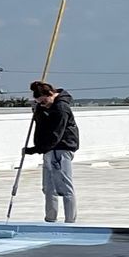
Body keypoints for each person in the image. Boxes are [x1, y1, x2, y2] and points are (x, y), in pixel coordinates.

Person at [27, 79, 80, 222]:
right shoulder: (45, 108)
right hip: (49, 149)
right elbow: (41, 128)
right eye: (39, 102)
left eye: (43, 101)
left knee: (65, 186)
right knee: (48, 187)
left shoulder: (61, 108)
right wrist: (38, 111)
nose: (42, 104)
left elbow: (56, 134)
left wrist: (36, 149)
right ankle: (50, 219)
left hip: (62, 148)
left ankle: (70, 220)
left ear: (51, 94)